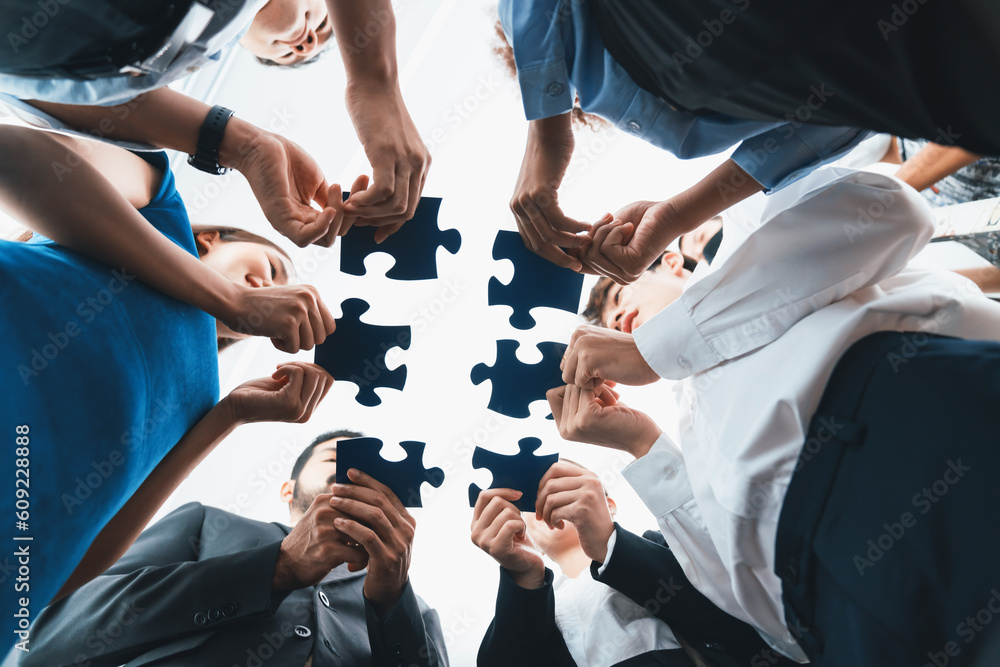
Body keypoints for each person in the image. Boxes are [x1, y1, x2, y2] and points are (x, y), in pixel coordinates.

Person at [550, 165, 1000, 665]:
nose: (614, 322)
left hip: (924, 436)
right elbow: (753, 603)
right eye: (609, 324)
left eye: (618, 296)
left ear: (671, 261)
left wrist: (653, 347)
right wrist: (642, 444)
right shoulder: (693, 434)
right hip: (844, 614)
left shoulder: (749, 241)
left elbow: (893, 210)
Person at [0, 125, 340, 649]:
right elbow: (12, 157)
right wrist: (230, 299)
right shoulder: (163, 208)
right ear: (211, 238)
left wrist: (231, 415)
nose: (273, 290)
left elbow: (73, 568)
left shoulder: (203, 398)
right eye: (272, 267)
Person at [0, 0, 431, 246]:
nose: (309, 39)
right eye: (322, 19)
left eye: (294, 54)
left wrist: (248, 147)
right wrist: (375, 79)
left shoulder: (164, 65)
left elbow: (48, 92)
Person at [496, 0, 872, 281]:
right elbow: (839, 109)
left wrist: (545, 129)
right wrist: (676, 216)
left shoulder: (553, 33)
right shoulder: (678, 135)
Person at [22, 431, 449, 667]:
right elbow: (51, 641)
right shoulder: (204, 522)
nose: (353, 476)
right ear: (289, 488)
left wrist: (392, 607)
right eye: (335, 460)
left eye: (371, 474)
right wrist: (277, 568)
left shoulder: (415, 610)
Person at [472, 461, 798, 667]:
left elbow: (743, 618)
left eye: (564, 485)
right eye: (531, 500)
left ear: (608, 504)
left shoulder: (664, 546)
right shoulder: (528, 609)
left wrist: (609, 546)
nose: (547, 500)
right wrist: (523, 577)